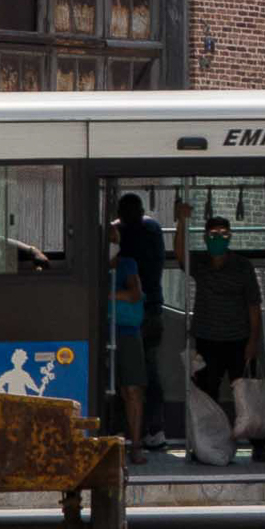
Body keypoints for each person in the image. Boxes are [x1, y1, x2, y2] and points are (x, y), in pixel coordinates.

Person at [172, 202, 265, 460]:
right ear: (205, 237)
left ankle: (258, 446)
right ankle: (207, 446)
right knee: (207, 394)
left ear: (230, 237)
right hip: (207, 340)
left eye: (223, 235)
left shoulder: (242, 266)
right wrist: (182, 221)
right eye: (213, 235)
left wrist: (253, 342)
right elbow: (180, 254)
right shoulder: (200, 263)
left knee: (246, 394)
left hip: (238, 339)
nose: (218, 240)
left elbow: (254, 306)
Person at [114, 193, 168, 450]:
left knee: (128, 376)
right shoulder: (154, 230)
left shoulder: (126, 242)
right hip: (154, 309)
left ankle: (125, 428)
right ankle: (154, 428)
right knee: (149, 372)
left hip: (132, 315)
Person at [109, 245, 148, 466]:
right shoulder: (90, 260)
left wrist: (107, 294)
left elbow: (134, 294)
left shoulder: (127, 264)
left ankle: (136, 445)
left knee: (132, 389)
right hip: (98, 331)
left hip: (127, 333)